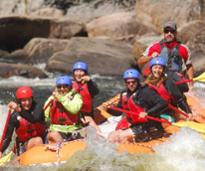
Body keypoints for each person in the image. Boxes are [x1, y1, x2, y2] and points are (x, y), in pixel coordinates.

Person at [107, 72, 169, 143]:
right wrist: (109, 110)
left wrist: (147, 113)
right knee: (111, 136)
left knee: (122, 136)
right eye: (128, 82)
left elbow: (163, 103)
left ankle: (126, 150)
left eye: (133, 82)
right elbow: (119, 112)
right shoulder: (124, 94)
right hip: (135, 125)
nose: (131, 84)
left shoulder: (146, 92)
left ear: (137, 81)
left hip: (150, 126)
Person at [0, 86, 46, 157]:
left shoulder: (38, 108)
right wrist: (1, 150)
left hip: (43, 140)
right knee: (37, 140)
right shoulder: (14, 116)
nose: (27, 103)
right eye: (24, 100)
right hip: (25, 144)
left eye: (29, 99)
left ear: (32, 99)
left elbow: (34, 120)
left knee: (53, 135)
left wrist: (19, 110)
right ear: (19, 101)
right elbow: (7, 138)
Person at [145, 56, 192, 120]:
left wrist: (188, 112)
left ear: (163, 70)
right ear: (151, 69)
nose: (157, 70)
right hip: (153, 112)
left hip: (168, 112)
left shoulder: (168, 83)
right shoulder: (146, 84)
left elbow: (179, 99)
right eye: (155, 68)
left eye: (160, 68)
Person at [44, 75, 83, 144]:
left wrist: (61, 99)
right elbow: (46, 115)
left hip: (73, 130)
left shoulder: (76, 97)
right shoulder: (52, 98)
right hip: (56, 130)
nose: (62, 89)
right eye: (59, 87)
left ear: (70, 87)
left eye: (65, 86)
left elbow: (74, 109)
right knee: (53, 135)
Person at [72, 61, 100, 132]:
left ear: (85, 73)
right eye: (77, 71)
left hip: (87, 115)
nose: (79, 73)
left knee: (97, 132)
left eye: (81, 71)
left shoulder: (89, 85)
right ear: (73, 73)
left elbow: (95, 91)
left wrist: (90, 81)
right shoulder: (69, 85)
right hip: (73, 116)